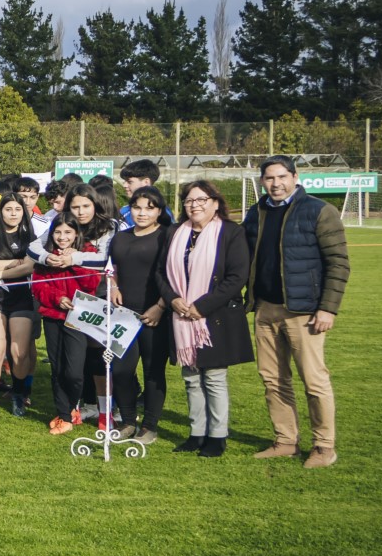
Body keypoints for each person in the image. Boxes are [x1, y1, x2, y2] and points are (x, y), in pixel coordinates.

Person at [242, 155, 350, 468]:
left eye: (281, 177)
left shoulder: (319, 210)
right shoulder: (256, 212)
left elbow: (338, 263)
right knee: (273, 380)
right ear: (262, 181)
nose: (276, 184)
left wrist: (327, 308)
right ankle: (286, 441)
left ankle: (324, 446)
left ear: (295, 176)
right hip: (265, 309)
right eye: (269, 178)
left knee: (314, 381)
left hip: (305, 312)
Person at [158, 180, 253, 458]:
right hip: (181, 315)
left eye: (201, 200)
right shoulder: (175, 232)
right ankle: (196, 433)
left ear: (215, 203)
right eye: (189, 200)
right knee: (191, 377)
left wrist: (201, 306)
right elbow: (160, 273)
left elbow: (237, 276)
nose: (195, 205)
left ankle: (217, 436)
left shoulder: (231, 232)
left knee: (213, 378)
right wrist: (173, 299)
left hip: (214, 316)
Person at [110, 185, 173, 445]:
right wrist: (113, 286)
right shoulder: (120, 237)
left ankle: (149, 426)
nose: (142, 213)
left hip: (154, 314)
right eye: (137, 207)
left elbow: (175, 275)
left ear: (159, 211)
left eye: (149, 208)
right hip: (124, 314)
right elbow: (113, 268)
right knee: (120, 369)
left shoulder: (167, 236)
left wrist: (160, 306)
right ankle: (127, 421)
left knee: (152, 371)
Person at [33, 215, 104, 434]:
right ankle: (64, 415)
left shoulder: (88, 252)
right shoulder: (46, 255)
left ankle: (73, 405)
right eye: (58, 232)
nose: (62, 237)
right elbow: (38, 286)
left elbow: (92, 283)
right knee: (57, 367)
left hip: (78, 319)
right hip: (53, 316)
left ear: (76, 234)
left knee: (74, 371)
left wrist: (74, 261)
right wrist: (58, 298)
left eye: (67, 232)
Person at [0, 196, 37, 418]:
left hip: (21, 298)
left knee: (18, 352)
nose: (13, 213)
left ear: (23, 212)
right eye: (8, 209)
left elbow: (29, 267)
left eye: (17, 209)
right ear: (0, 212)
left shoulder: (30, 238)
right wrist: (14, 262)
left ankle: (18, 395)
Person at [118, 160, 172, 227]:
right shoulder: (124, 210)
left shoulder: (163, 213)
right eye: (136, 208)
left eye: (129, 182)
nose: (124, 185)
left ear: (146, 182)